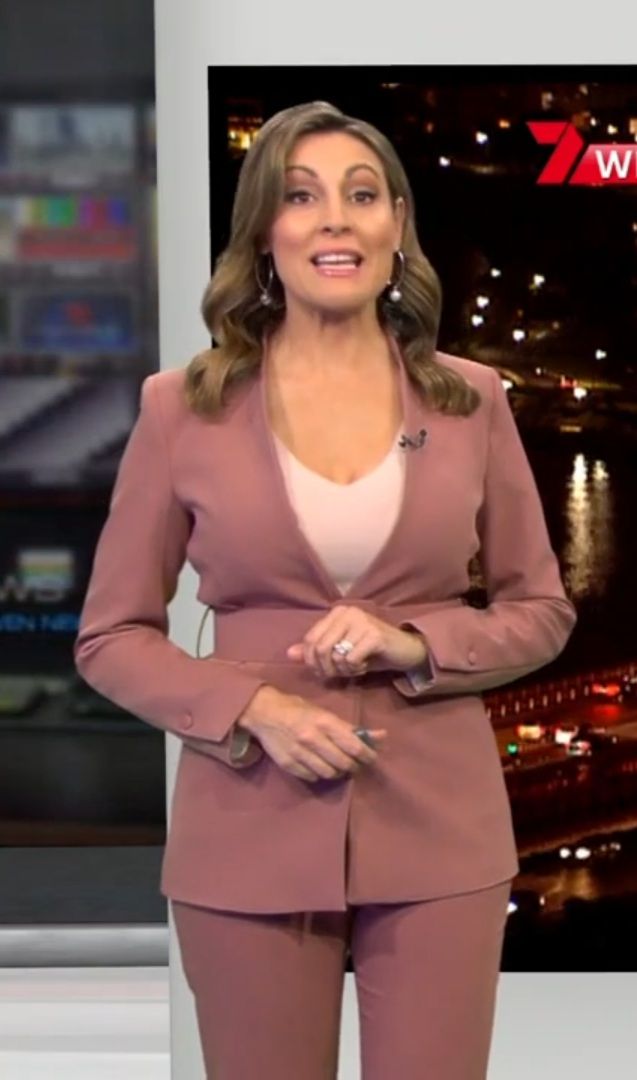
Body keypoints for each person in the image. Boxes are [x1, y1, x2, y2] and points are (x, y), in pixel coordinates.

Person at [74, 100, 577, 1079]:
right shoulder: (182, 408)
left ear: (397, 225)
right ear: (265, 232)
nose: (335, 219)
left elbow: (540, 610)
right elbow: (111, 636)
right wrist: (252, 709)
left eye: (361, 195)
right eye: (300, 197)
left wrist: (417, 644)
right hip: (246, 828)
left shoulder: (471, 400)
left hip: (440, 831)